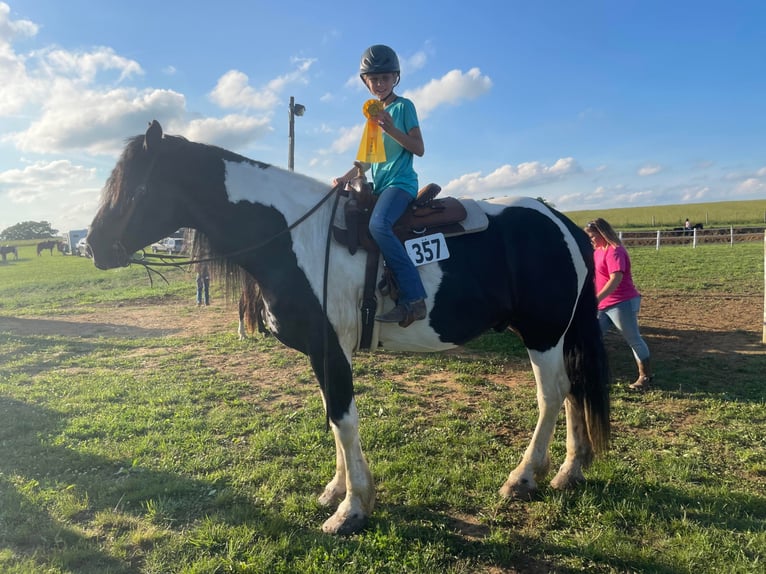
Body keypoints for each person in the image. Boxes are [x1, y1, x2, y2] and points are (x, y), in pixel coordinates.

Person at [333, 44, 427, 326]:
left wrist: (390, 128)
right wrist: (345, 177)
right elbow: (365, 162)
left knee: (378, 224)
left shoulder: (404, 106)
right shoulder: (371, 120)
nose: (379, 84)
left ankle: (414, 298)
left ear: (395, 78)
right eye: (373, 79)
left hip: (401, 183)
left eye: (385, 78)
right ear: (365, 82)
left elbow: (419, 148)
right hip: (381, 184)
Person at [585, 218, 653, 390]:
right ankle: (595, 373)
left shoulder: (615, 251)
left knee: (633, 339)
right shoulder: (598, 251)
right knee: (591, 336)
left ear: (602, 233)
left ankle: (645, 377)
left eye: (592, 236)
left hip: (621, 302)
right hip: (603, 304)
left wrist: (597, 298)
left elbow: (616, 278)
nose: (591, 240)